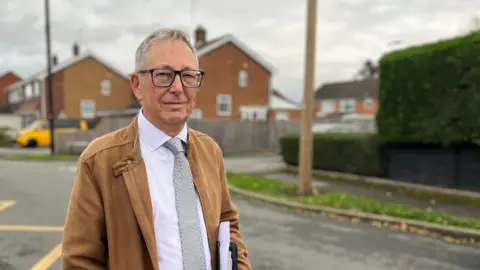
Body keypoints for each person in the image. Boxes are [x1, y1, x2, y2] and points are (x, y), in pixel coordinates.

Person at [61, 28, 251, 270]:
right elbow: (80, 260)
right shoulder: (100, 160)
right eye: (163, 75)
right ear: (137, 85)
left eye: (188, 76)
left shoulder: (210, 151)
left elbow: (228, 224)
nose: (178, 88)